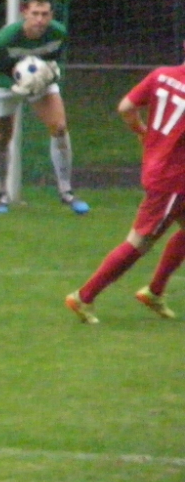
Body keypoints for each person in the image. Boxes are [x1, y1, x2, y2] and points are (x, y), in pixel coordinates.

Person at [65, 41, 185, 324]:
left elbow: (126, 107)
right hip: (173, 179)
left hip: (158, 166)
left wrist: (142, 132)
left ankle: (154, 292)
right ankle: (83, 296)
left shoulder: (161, 75)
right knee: (140, 242)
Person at [0, 0, 89, 214]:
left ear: (51, 15)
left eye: (45, 14)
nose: (40, 19)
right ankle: (2, 194)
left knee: (59, 128)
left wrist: (50, 74)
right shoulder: (5, 39)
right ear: (24, 13)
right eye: (35, 14)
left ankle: (66, 192)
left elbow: (53, 61)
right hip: (4, 85)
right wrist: (15, 87)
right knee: (3, 137)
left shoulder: (58, 33)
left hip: (38, 83)